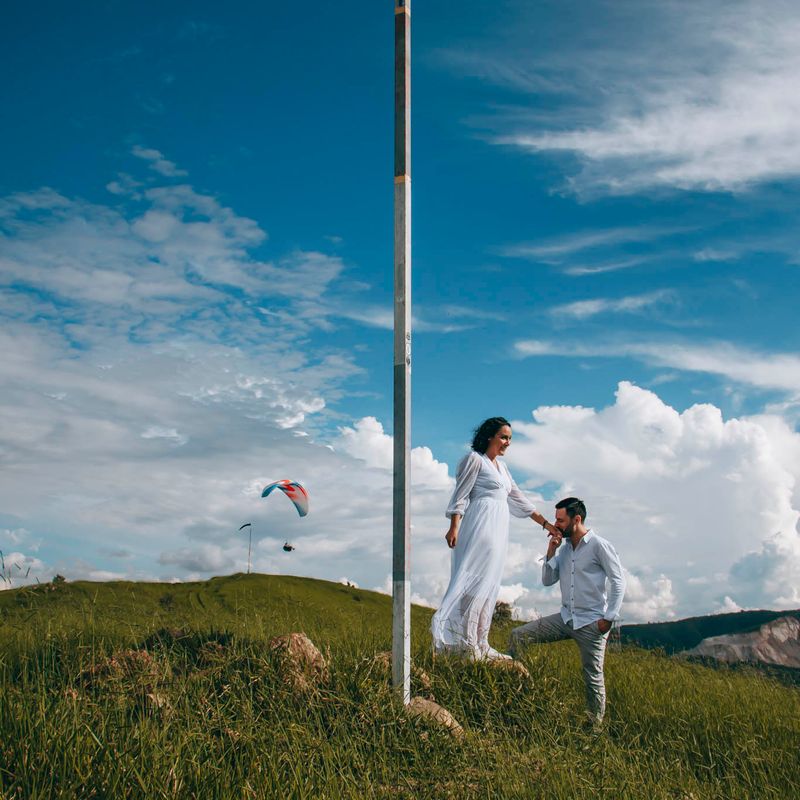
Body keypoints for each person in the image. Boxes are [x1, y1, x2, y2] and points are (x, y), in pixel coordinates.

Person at [431, 417, 558, 660]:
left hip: (499, 529)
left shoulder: (502, 468)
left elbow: (519, 498)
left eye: (510, 438)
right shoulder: (474, 460)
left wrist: (546, 524)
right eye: (503, 437)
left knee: (489, 583)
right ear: (489, 436)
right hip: (479, 525)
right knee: (474, 582)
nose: (507, 442)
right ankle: (467, 643)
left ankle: (481, 641)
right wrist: (454, 526)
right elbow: (460, 494)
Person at [509, 497, 625, 726]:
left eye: (560, 520)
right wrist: (551, 550)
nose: (555, 525)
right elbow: (547, 580)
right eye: (556, 519)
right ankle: (517, 689)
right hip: (565, 618)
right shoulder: (563, 550)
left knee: (593, 677)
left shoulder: (599, 545)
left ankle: (594, 728)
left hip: (592, 623)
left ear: (576, 519)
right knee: (518, 635)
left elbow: (618, 581)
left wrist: (609, 618)